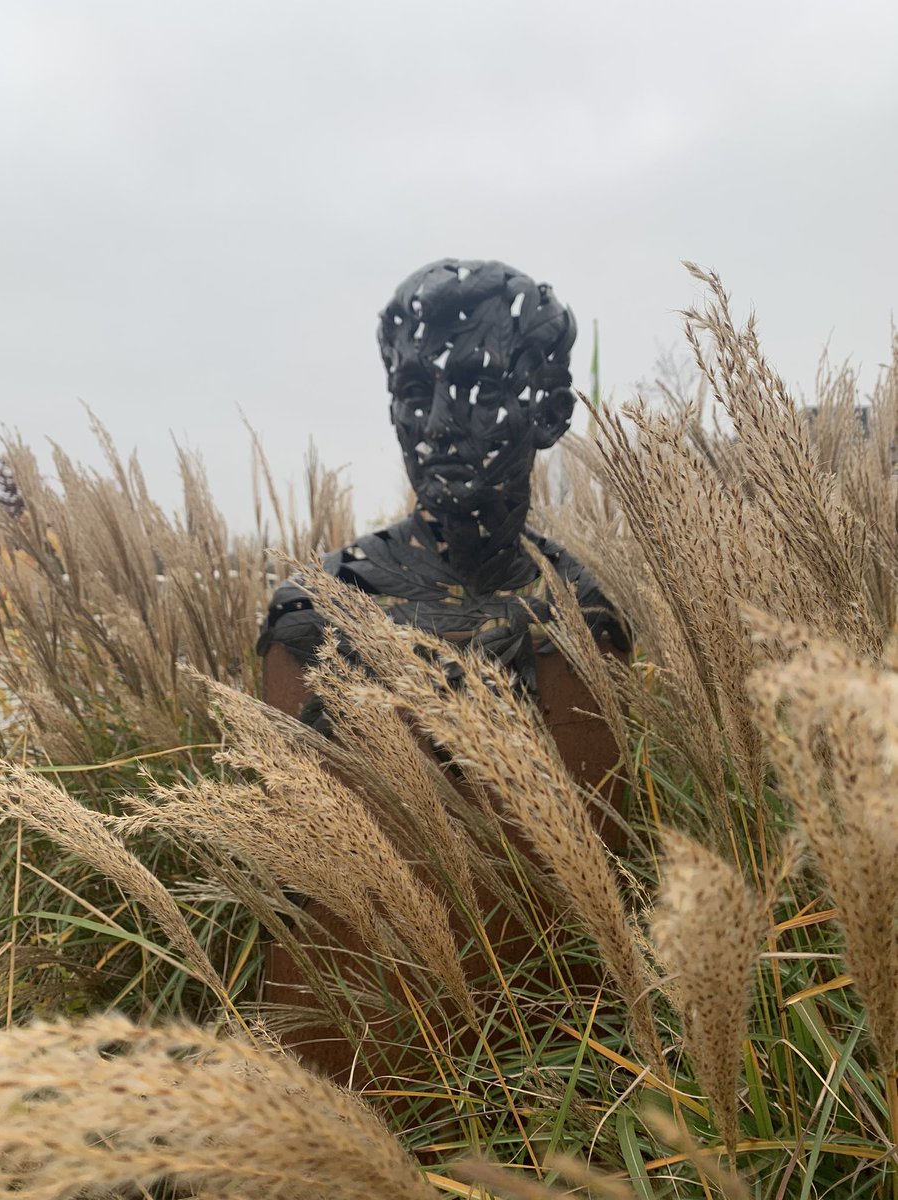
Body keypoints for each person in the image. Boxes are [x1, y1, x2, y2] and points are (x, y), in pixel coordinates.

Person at [257, 258, 630, 1075]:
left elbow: (595, 917)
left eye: (478, 385)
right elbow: (299, 925)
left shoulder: (584, 623)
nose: (437, 423)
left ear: (551, 411)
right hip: (339, 1090)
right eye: (412, 391)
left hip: (543, 1093)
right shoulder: (316, 614)